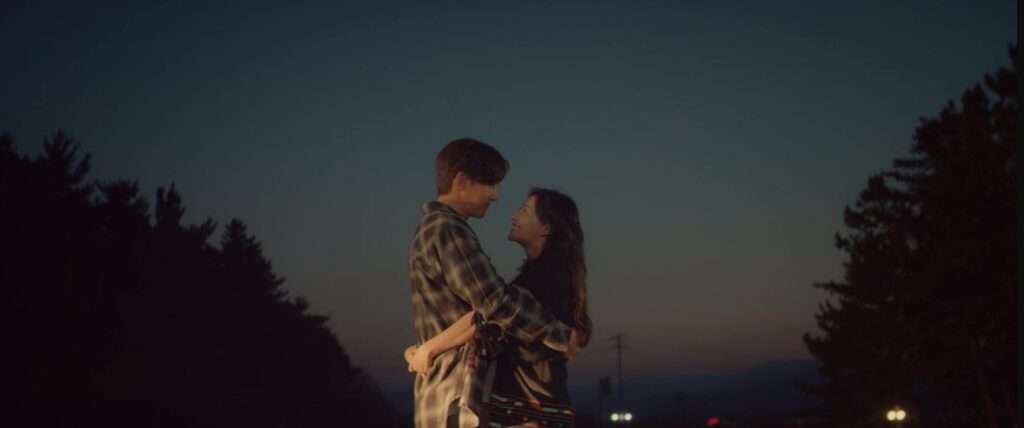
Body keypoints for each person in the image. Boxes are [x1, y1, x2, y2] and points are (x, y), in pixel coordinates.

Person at [407, 138, 580, 428]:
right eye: (490, 184)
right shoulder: (449, 230)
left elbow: (470, 316)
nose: (496, 195)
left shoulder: (431, 230)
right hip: (456, 394)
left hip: (443, 393)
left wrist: (426, 348)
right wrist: (559, 334)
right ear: (462, 181)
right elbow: (493, 302)